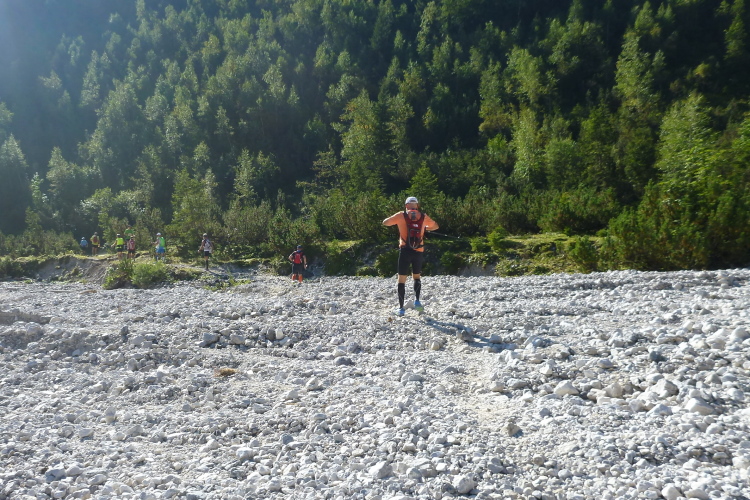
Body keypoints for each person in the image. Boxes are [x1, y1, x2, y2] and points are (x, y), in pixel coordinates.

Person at [382, 196, 439, 316]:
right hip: (419, 251)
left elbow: (385, 223)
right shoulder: (423, 216)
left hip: (405, 250)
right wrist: (425, 227)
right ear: (417, 205)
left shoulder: (401, 215)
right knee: (416, 277)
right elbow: (436, 226)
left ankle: (401, 309)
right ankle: (417, 301)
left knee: (401, 280)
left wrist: (397, 221)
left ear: (406, 205)